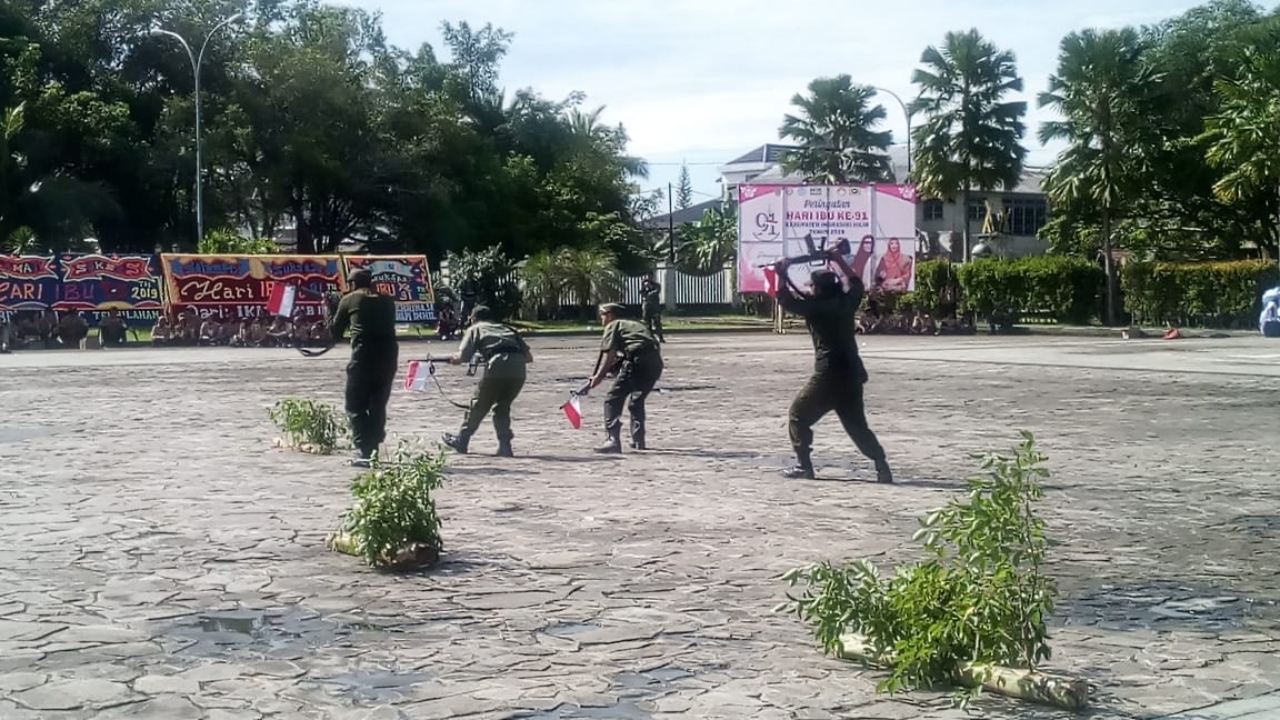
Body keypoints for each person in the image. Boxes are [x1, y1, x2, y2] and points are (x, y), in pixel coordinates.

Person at [774, 247, 894, 483]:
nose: (809, 288)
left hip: (827, 375)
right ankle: (882, 466)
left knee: (798, 416)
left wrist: (782, 272)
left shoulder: (815, 307)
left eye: (812, 286)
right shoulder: (846, 302)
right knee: (857, 426)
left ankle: (804, 466)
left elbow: (785, 298)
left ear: (818, 288)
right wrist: (838, 259)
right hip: (852, 374)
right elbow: (856, 282)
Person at [441, 306, 534, 457]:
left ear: (474, 319)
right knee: (502, 407)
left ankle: (462, 440)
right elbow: (528, 358)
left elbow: (462, 357)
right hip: (518, 370)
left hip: (497, 366)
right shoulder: (507, 329)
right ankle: (505, 446)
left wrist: (453, 359)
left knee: (479, 405)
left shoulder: (476, 329)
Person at [330, 269, 400, 467]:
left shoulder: (350, 299)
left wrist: (331, 307)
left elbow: (334, 332)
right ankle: (374, 446)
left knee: (355, 404)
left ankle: (363, 449)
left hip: (364, 356)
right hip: (388, 357)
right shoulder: (387, 300)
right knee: (378, 404)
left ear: (352, 284)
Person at [583, 303, 663, 453]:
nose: (601, 318)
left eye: (602, 315)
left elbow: (610, 353)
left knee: (612, 399)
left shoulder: (613, 325)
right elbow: (644, 344)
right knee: (636, 400)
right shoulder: (635, 324)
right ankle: (639, 440)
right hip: (654, 361)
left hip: (637, 360)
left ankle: (612, 440)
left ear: (610, 315)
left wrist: (599, 376)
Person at [640, 273, 665, 342]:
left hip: (654, 306)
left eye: (651, 276)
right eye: (648, 277)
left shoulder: (657, 285)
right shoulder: (644, 285)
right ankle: (649, 337)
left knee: (657, 322)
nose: (649, 278)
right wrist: (644, 285)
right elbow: (642, 293)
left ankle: (660, 337)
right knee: (647, 323)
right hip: (647, 305)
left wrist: (650, 289)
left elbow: (656, 292)